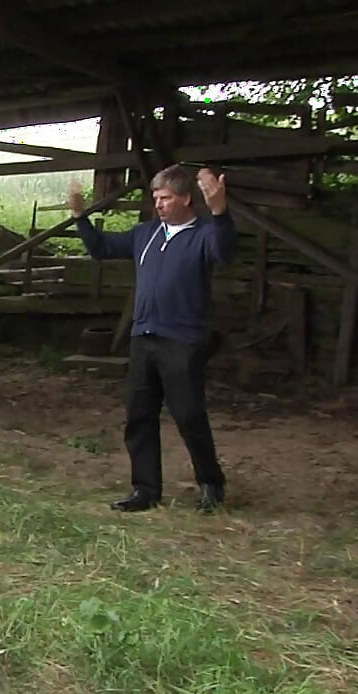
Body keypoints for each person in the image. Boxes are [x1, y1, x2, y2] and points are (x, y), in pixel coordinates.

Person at [68, 165, 236, 513]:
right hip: (143, 338)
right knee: (139, 416)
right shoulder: (146, 234)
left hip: (183, 340)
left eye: (166, 198)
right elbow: (101, 248)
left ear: (186, 199)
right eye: (156, 198)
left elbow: (225, 253)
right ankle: (145, 490)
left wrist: (220, 211)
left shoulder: (204, 233)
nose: (159, 204)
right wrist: (80, 216)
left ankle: (210, 484)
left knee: (188, 414)